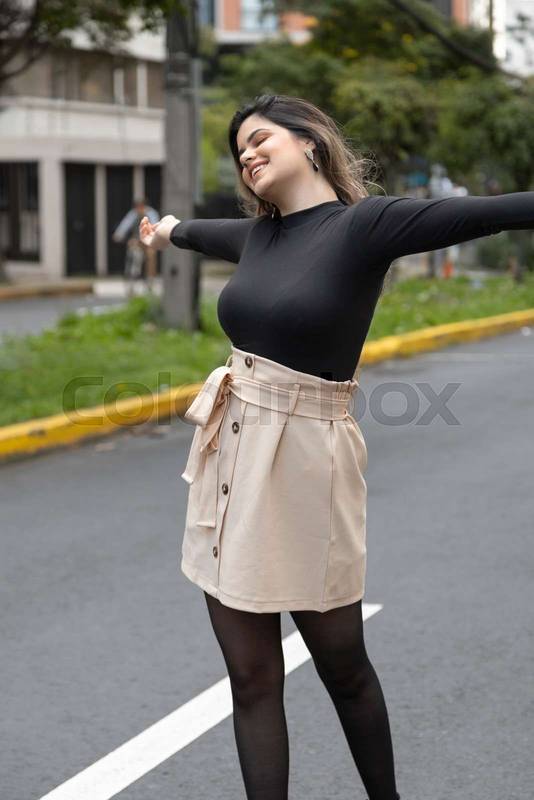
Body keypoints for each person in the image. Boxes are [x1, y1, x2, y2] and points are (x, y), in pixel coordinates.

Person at [140, 94, 534, 800]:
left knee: (343, 667)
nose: (247, 155)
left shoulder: (365, 227)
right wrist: (165, 231)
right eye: (239, 150)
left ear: (310, 142)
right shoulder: (257, 237)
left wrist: (174, 231)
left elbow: (485, 213)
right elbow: (195, 231)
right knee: (251, 677)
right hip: (230, 456)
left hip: (306, 463)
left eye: (260, 139)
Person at [113, 197, 159, 290]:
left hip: (149, 239)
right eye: (137, 207)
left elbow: (155, 226)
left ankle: (150, 280)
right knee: (133, 251)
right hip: (137, 240)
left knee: (151, 255)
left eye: (140, 207)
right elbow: (125, 224)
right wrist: (118, 235)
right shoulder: (133, 214)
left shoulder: (151, 213)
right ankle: (132, 278)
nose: (139, 209)